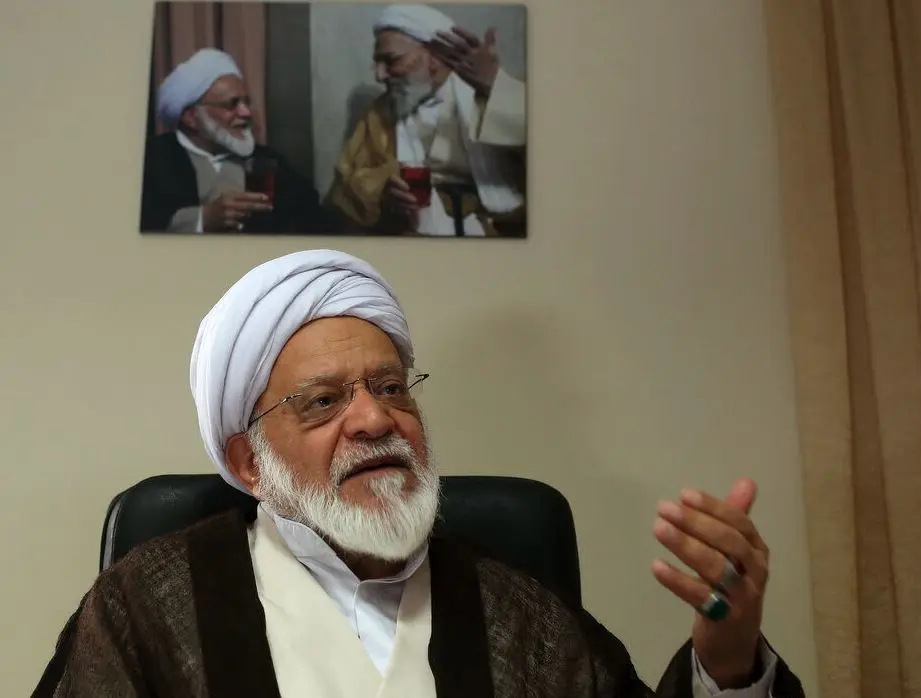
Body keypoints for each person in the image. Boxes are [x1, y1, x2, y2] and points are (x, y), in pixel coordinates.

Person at [33, 250, 805, 697]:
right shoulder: (149, 604)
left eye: (391, 387)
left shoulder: (517, 611)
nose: (375, 419)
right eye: (324, 401)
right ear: (248, 462)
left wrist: (725, 658)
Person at [326, 5, 527, 237]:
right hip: (411, 233)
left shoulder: (490, 96)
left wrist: (493, 87)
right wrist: (383, 193)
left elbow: (549, 158)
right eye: (377, 63)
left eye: (391, 60)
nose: (379, 76)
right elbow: (347, 186)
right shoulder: (380, 112)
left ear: (434, 57)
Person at [141, 48, 337, 234]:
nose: (246, 113)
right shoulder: (150, 160)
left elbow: (315, 221)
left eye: (246, 102)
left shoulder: (269, 161)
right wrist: (203, 219)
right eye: (231, 105)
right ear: (191, 117)